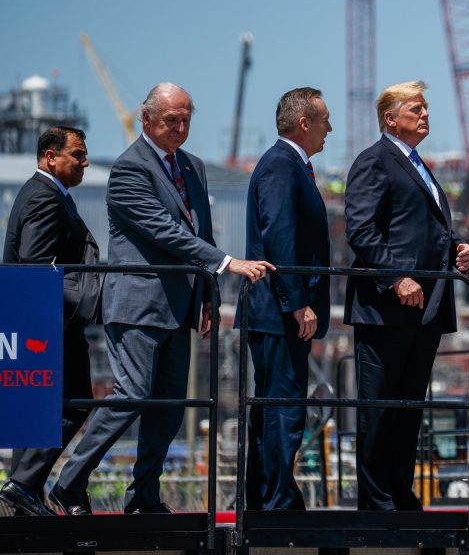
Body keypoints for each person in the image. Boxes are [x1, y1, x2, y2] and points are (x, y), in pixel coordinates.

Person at [49, 83, 273, 515]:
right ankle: (70, 481)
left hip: (179, 306)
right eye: (172, 119)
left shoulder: (192, 167)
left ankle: (144, 497)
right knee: (131, 394)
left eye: (187, 118)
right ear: (147, 118)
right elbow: (165, 231)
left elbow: (200, 231)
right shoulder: (129, 169)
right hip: (137, 305)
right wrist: (229, 262)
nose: (181, 127)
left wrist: (209, 298)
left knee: (169, 408)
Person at [343, 80, 469, 511]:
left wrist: (456, 245)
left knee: (408, 408)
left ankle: (400, 492)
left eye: (426, 107)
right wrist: (397, 277)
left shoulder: (418, 165)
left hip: (424, 309)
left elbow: (421, 227)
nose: (425, 114)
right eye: (416, 108)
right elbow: (361, 230)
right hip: (386, 308)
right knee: (379, 407)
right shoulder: (374, 162)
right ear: (390, 118)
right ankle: (376, 500)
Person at [239, 87, 332, 510]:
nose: (330, 128)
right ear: (304, 123)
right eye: (325, 120)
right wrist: (297, 302)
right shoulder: (281, 165)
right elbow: (279, 235)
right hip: (279, 312)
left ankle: (264, 494)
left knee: (274, 405)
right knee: (283, 407)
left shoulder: (290, 165)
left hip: (277, 310)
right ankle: (277, 500)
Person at [0, 127, 101, 516]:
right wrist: (54, 315)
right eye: (77, 155)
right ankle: (23, 484)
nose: (85, 162)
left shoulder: (43, 192)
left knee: (33, 409)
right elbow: (36, 262)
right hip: (48, 321)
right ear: (50, 157)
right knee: (74, 402)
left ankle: (23, 495)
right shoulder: (44, 196)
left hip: (37, 318)